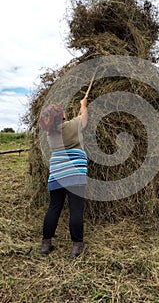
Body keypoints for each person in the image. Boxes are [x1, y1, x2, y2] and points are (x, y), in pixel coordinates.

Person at [38, 98, 88, 258]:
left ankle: (46, 243)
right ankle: (77, 245)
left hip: (57, 174)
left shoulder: (50, 133)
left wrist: (75, 115)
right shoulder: (70, 126)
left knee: (54, 208)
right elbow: (84, 120)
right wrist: (83, 105)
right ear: (60, 117)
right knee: (76, 209)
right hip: (74, 175)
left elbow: (74, 122)